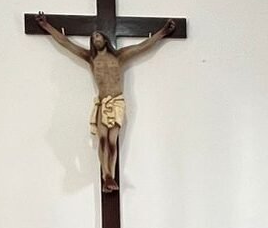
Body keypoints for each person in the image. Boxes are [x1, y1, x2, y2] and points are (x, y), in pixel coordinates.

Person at [34, 11, 177, 192]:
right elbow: (66, 43)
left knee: (112, 140)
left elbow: (143, 46)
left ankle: (111, 176)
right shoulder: (91, 58)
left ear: (105, 39)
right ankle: (107, 175)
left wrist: (163, 32)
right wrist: (46, 26)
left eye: (99, 36)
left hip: (116, 101)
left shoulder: (119, 56)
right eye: (93, 37)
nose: (96, 39)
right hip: (102, 102)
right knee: (102, 139)